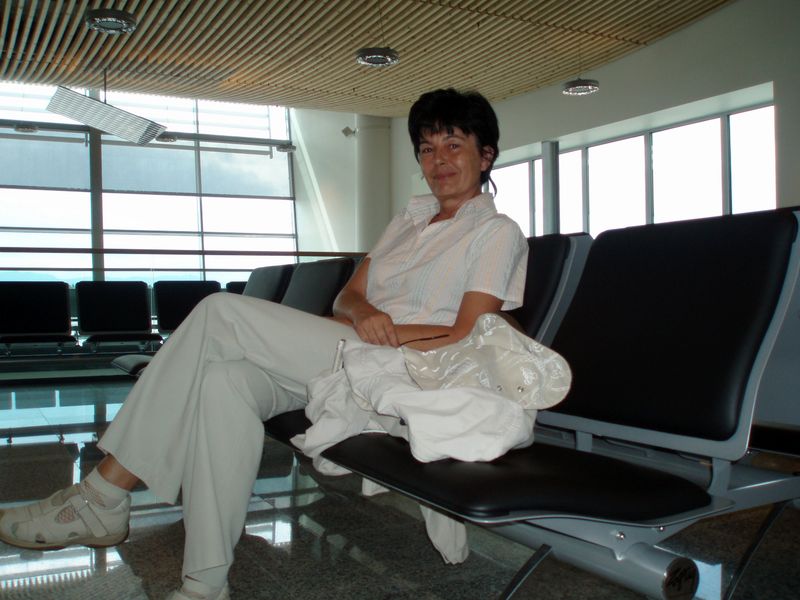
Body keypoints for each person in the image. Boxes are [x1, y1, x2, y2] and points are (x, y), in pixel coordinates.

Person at [0, 88, 528, 600]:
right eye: (427, 149)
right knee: (221, 381)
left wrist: (379, 331)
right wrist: (366, 314)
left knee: (219, 311)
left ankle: (103, 493)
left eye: (453, 145)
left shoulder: (496, 232)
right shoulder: (407, 223)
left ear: (485, 156)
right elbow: (348, 296)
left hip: (411, 371)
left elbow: (467, 332)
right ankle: (204, 584)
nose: (438, 160)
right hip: (354, 353)